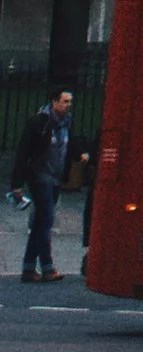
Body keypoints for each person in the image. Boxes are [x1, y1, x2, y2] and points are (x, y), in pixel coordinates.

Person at [11, 90, 79, 284]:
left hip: (56, 178)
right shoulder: (38, 123)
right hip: (40, 177)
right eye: (65, 101)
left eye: (70, 101)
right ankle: (47, 267)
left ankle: (28, 268)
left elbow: (68, 146)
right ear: (54, 102)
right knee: (46, 221)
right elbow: (23, 152)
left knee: (40, 224)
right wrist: (17, 184)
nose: (68, 105)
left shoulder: (66, 123)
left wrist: (80, 154)